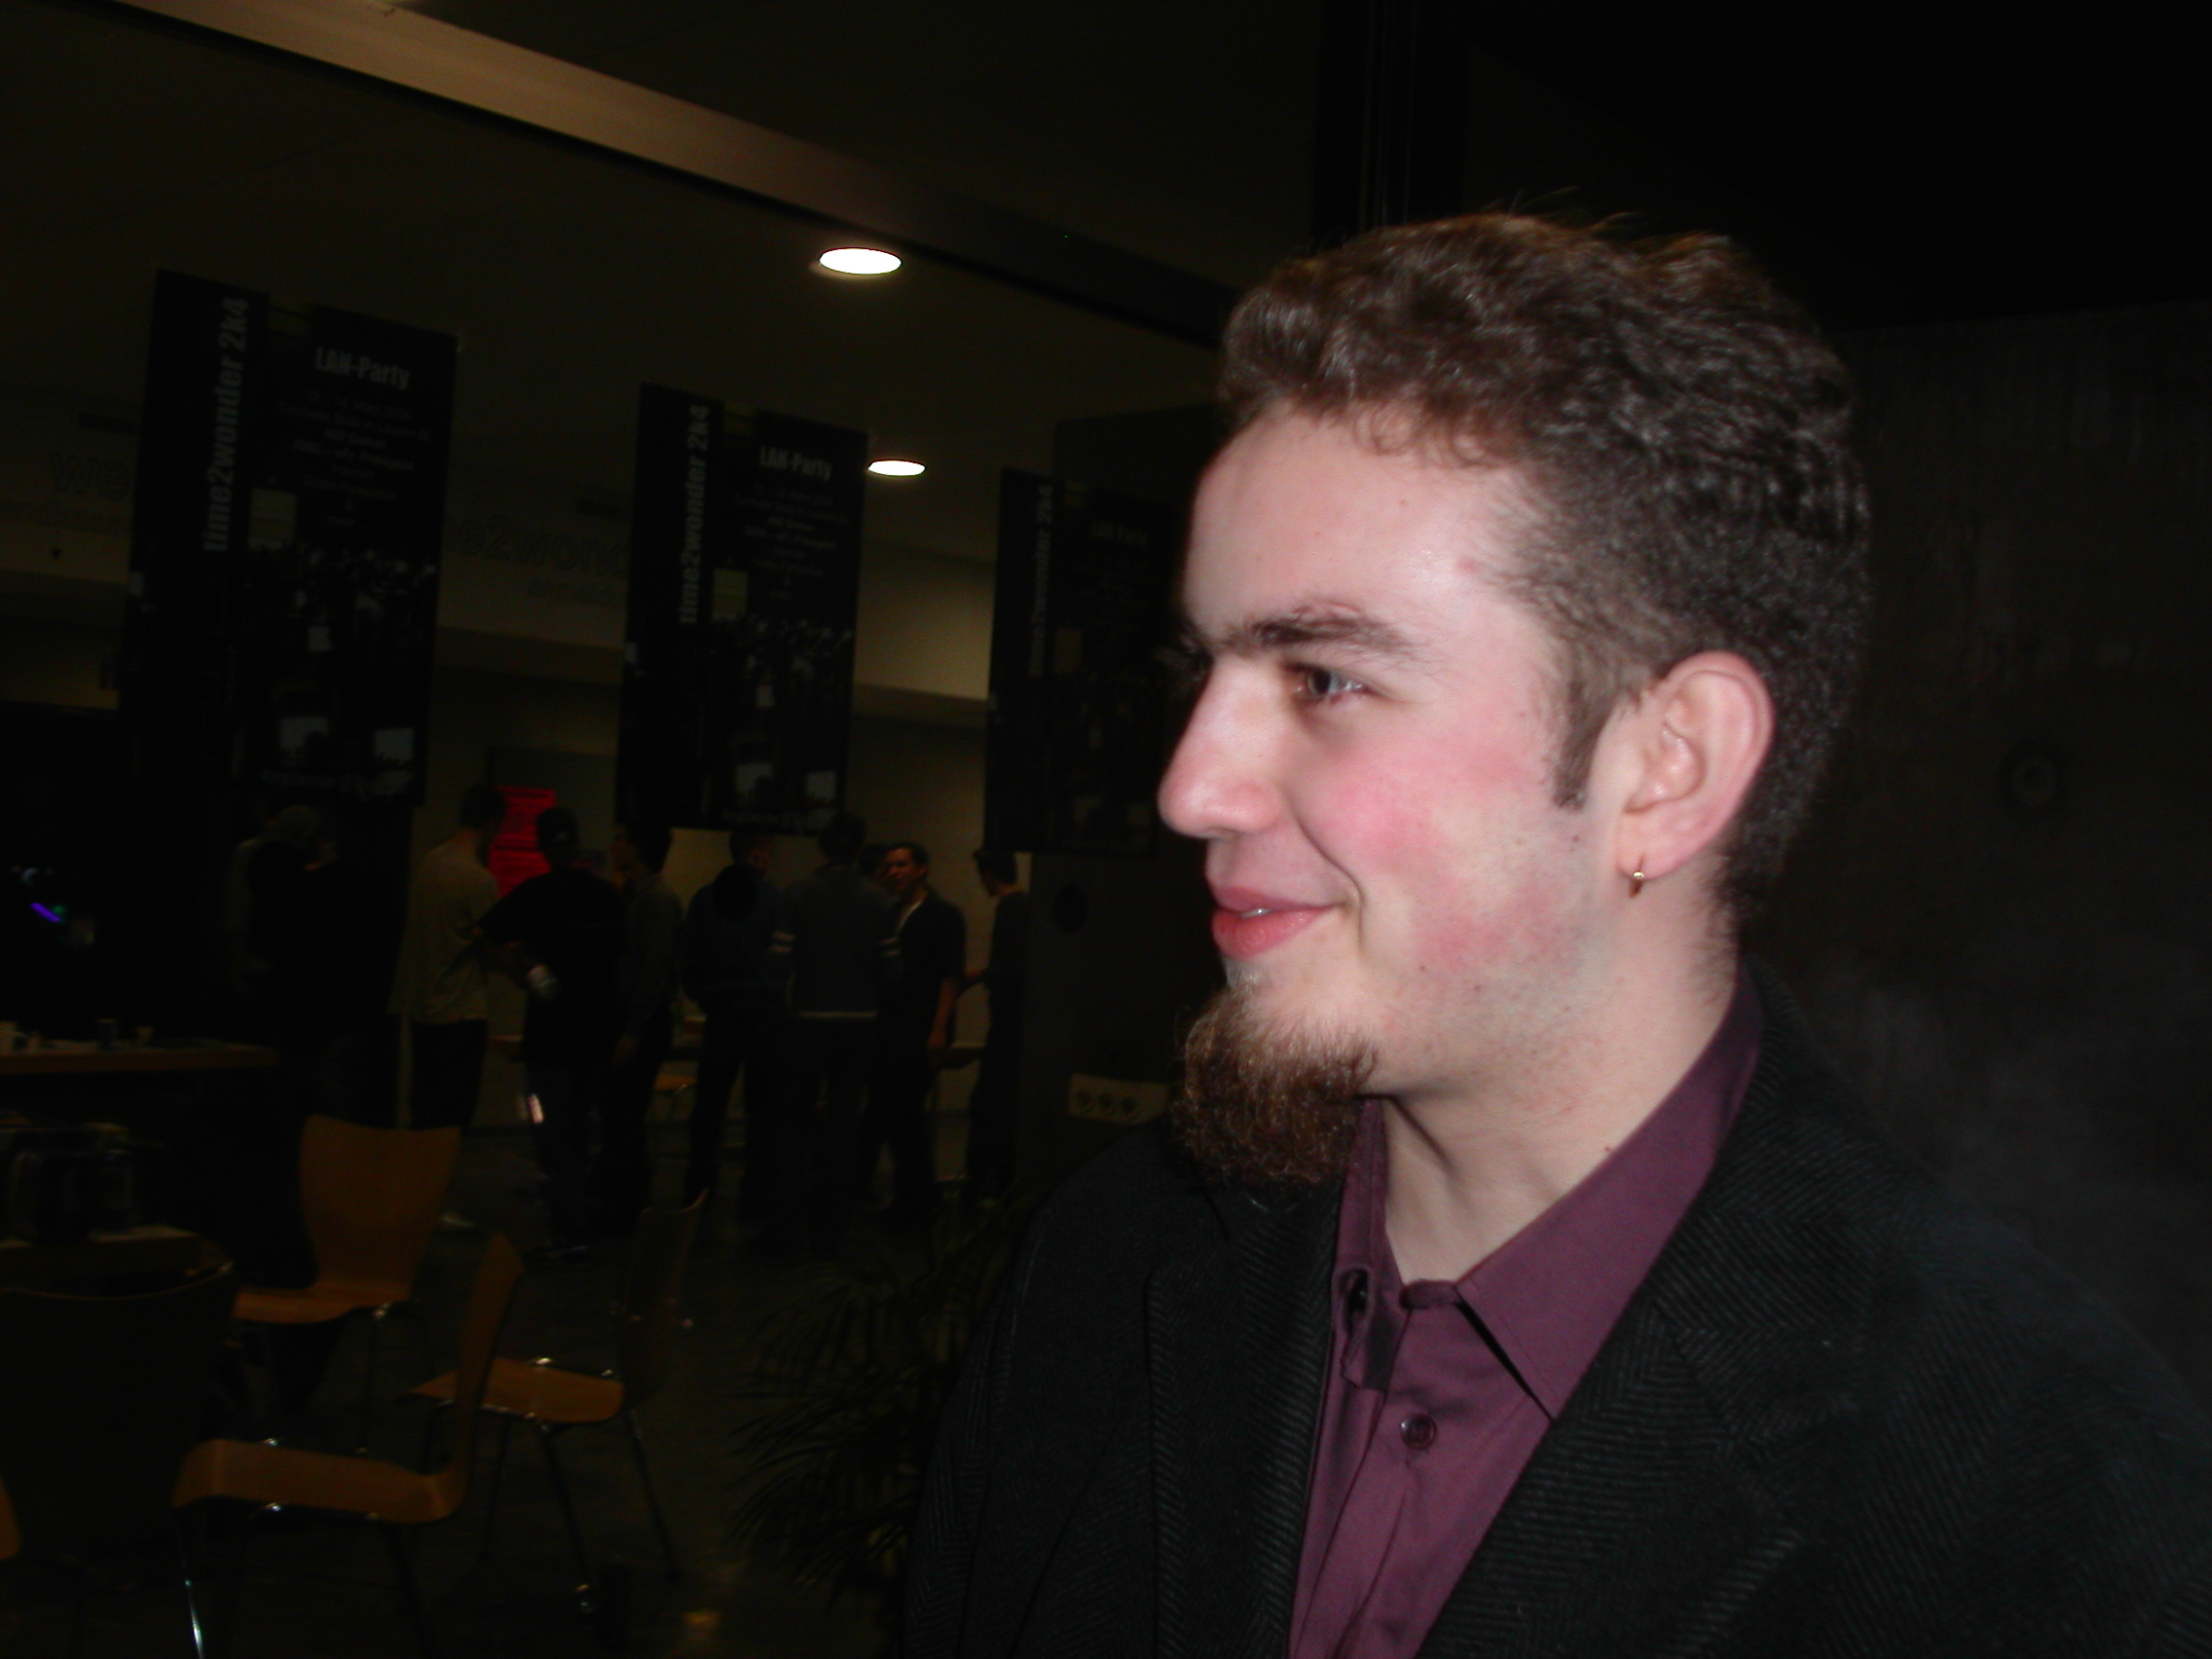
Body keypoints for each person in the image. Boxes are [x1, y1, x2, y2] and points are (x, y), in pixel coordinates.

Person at [906, 215, 2212, 1656]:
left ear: (1667, 769)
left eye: (1325, 677)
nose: (1188, 786)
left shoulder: (2056, 1521)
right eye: (1203, 669)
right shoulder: (1107, 1264)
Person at [479, 806, 625, 1256]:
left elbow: (485, 935)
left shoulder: (534, 893)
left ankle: (569, 1227)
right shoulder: (606, 896)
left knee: (550, 1134)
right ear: (578, 841)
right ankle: (581, 1220)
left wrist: (523, 974)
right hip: (595, 1037)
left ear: (541, 846)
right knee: (581, 1130)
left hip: (549, 1038)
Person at [767, 812, 900, 1253]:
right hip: (859, 1024)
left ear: (821, 847)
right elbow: (892, 971)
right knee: (845, 1128)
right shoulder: (879, 900)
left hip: (808, 1021)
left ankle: (786, 1228)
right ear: (860, 848)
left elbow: (779, 965)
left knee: (794, 1126)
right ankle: (831, 1231)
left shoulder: (797, 894)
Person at [680, 830, 785, 1223]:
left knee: (709, 1106)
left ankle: (699, 1189)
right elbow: (786, 957)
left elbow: (689, 955)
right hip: (765, 1014)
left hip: (721, 1011)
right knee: (762, 1109)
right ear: (758, 855)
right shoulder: (775, 900)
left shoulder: (706, 898)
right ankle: (756, 1194)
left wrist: (702, 994)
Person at [860, 842, 966, 1229]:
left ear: (921, 868)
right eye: (889, 866)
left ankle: (916, 1201)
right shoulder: (891, 912)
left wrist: (938, 1029)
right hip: (892, 1027)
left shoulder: (941, 915)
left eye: (901, 865)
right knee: (897, 1113)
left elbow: (949, 975)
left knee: (903, 1112)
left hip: (920, 1026)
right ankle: (917, 1196)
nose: (893, 872)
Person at [391, 783, 505, 1131]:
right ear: (491, 824)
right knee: (453, 1115)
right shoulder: (478, 878)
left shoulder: (430, 863)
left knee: (424, 1108)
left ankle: (416, 1166)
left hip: (423, 1008)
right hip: (461, 1010)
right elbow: (494, 944)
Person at [596, 820, 683, 1234]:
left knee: (626, 1114)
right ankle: (625, 1201)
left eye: (620, 838)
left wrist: (632, 1029)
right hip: (633, 1019)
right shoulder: (634, 895)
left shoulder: (657, 900)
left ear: (637, 849)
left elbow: (653, 970)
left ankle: (631, 1205)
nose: (613, 845)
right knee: (621, 1113)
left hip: (641, 1023)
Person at [959, 847, 1027, 1199]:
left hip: (1007, 1024)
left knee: (988, 1105)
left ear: (988, 874)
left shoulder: (1010, 908)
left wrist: (978, 975)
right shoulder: (1025, 905)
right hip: (1018, 1024)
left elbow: (1010, 967)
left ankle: (982, 1184)